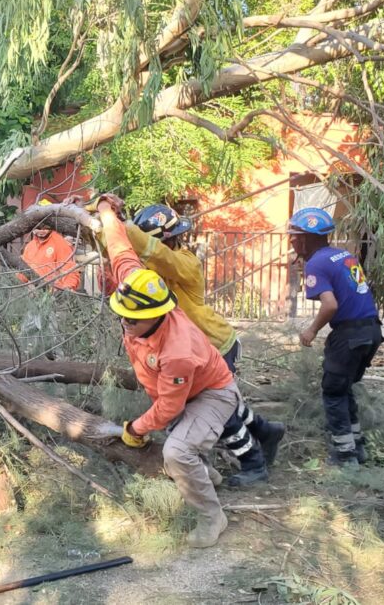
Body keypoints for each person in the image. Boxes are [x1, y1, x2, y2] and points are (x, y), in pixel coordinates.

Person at [79, 196, 284, 485]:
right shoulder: (144, 276)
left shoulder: (185, 262)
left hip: (215, 344)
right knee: (229, 403)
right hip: (195, 347)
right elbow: (119, 251)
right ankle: (266, 431)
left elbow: (158, 255)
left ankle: (254, 463)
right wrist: (100, 221)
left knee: (219, 413)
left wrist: (121, 223)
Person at [96, 196, 234, 548]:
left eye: (132, 319)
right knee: (181, 437)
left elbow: (170, 407)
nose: (124, 322)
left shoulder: (177, 352)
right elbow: (119, 248)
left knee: (175, 451)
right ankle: (205, 473)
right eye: (122, 314)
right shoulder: (137, 285)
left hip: (213, 393)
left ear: (156, 315)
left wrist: (135, 428)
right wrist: (106, 212)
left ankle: (211, 516)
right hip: (182, 390)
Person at [288, 207, 383, 467]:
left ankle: (344, 457)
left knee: (332, 392)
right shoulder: (343, 255)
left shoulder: (316, 262)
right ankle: (357, 447)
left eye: (295, 236)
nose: (292, 241)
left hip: (349, 335)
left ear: (307, 238)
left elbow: (330, 305)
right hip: (372, 330)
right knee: (343, 389)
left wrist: (311, 330)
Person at [17, 198, 81, 292]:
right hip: (33, 294)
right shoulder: (30, 246)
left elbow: (69, 269)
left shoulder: (59, 243)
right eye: (38, 228)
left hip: (53, 295)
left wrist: (68, 288)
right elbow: (22, 275)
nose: (41, 231)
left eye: (45, 227)